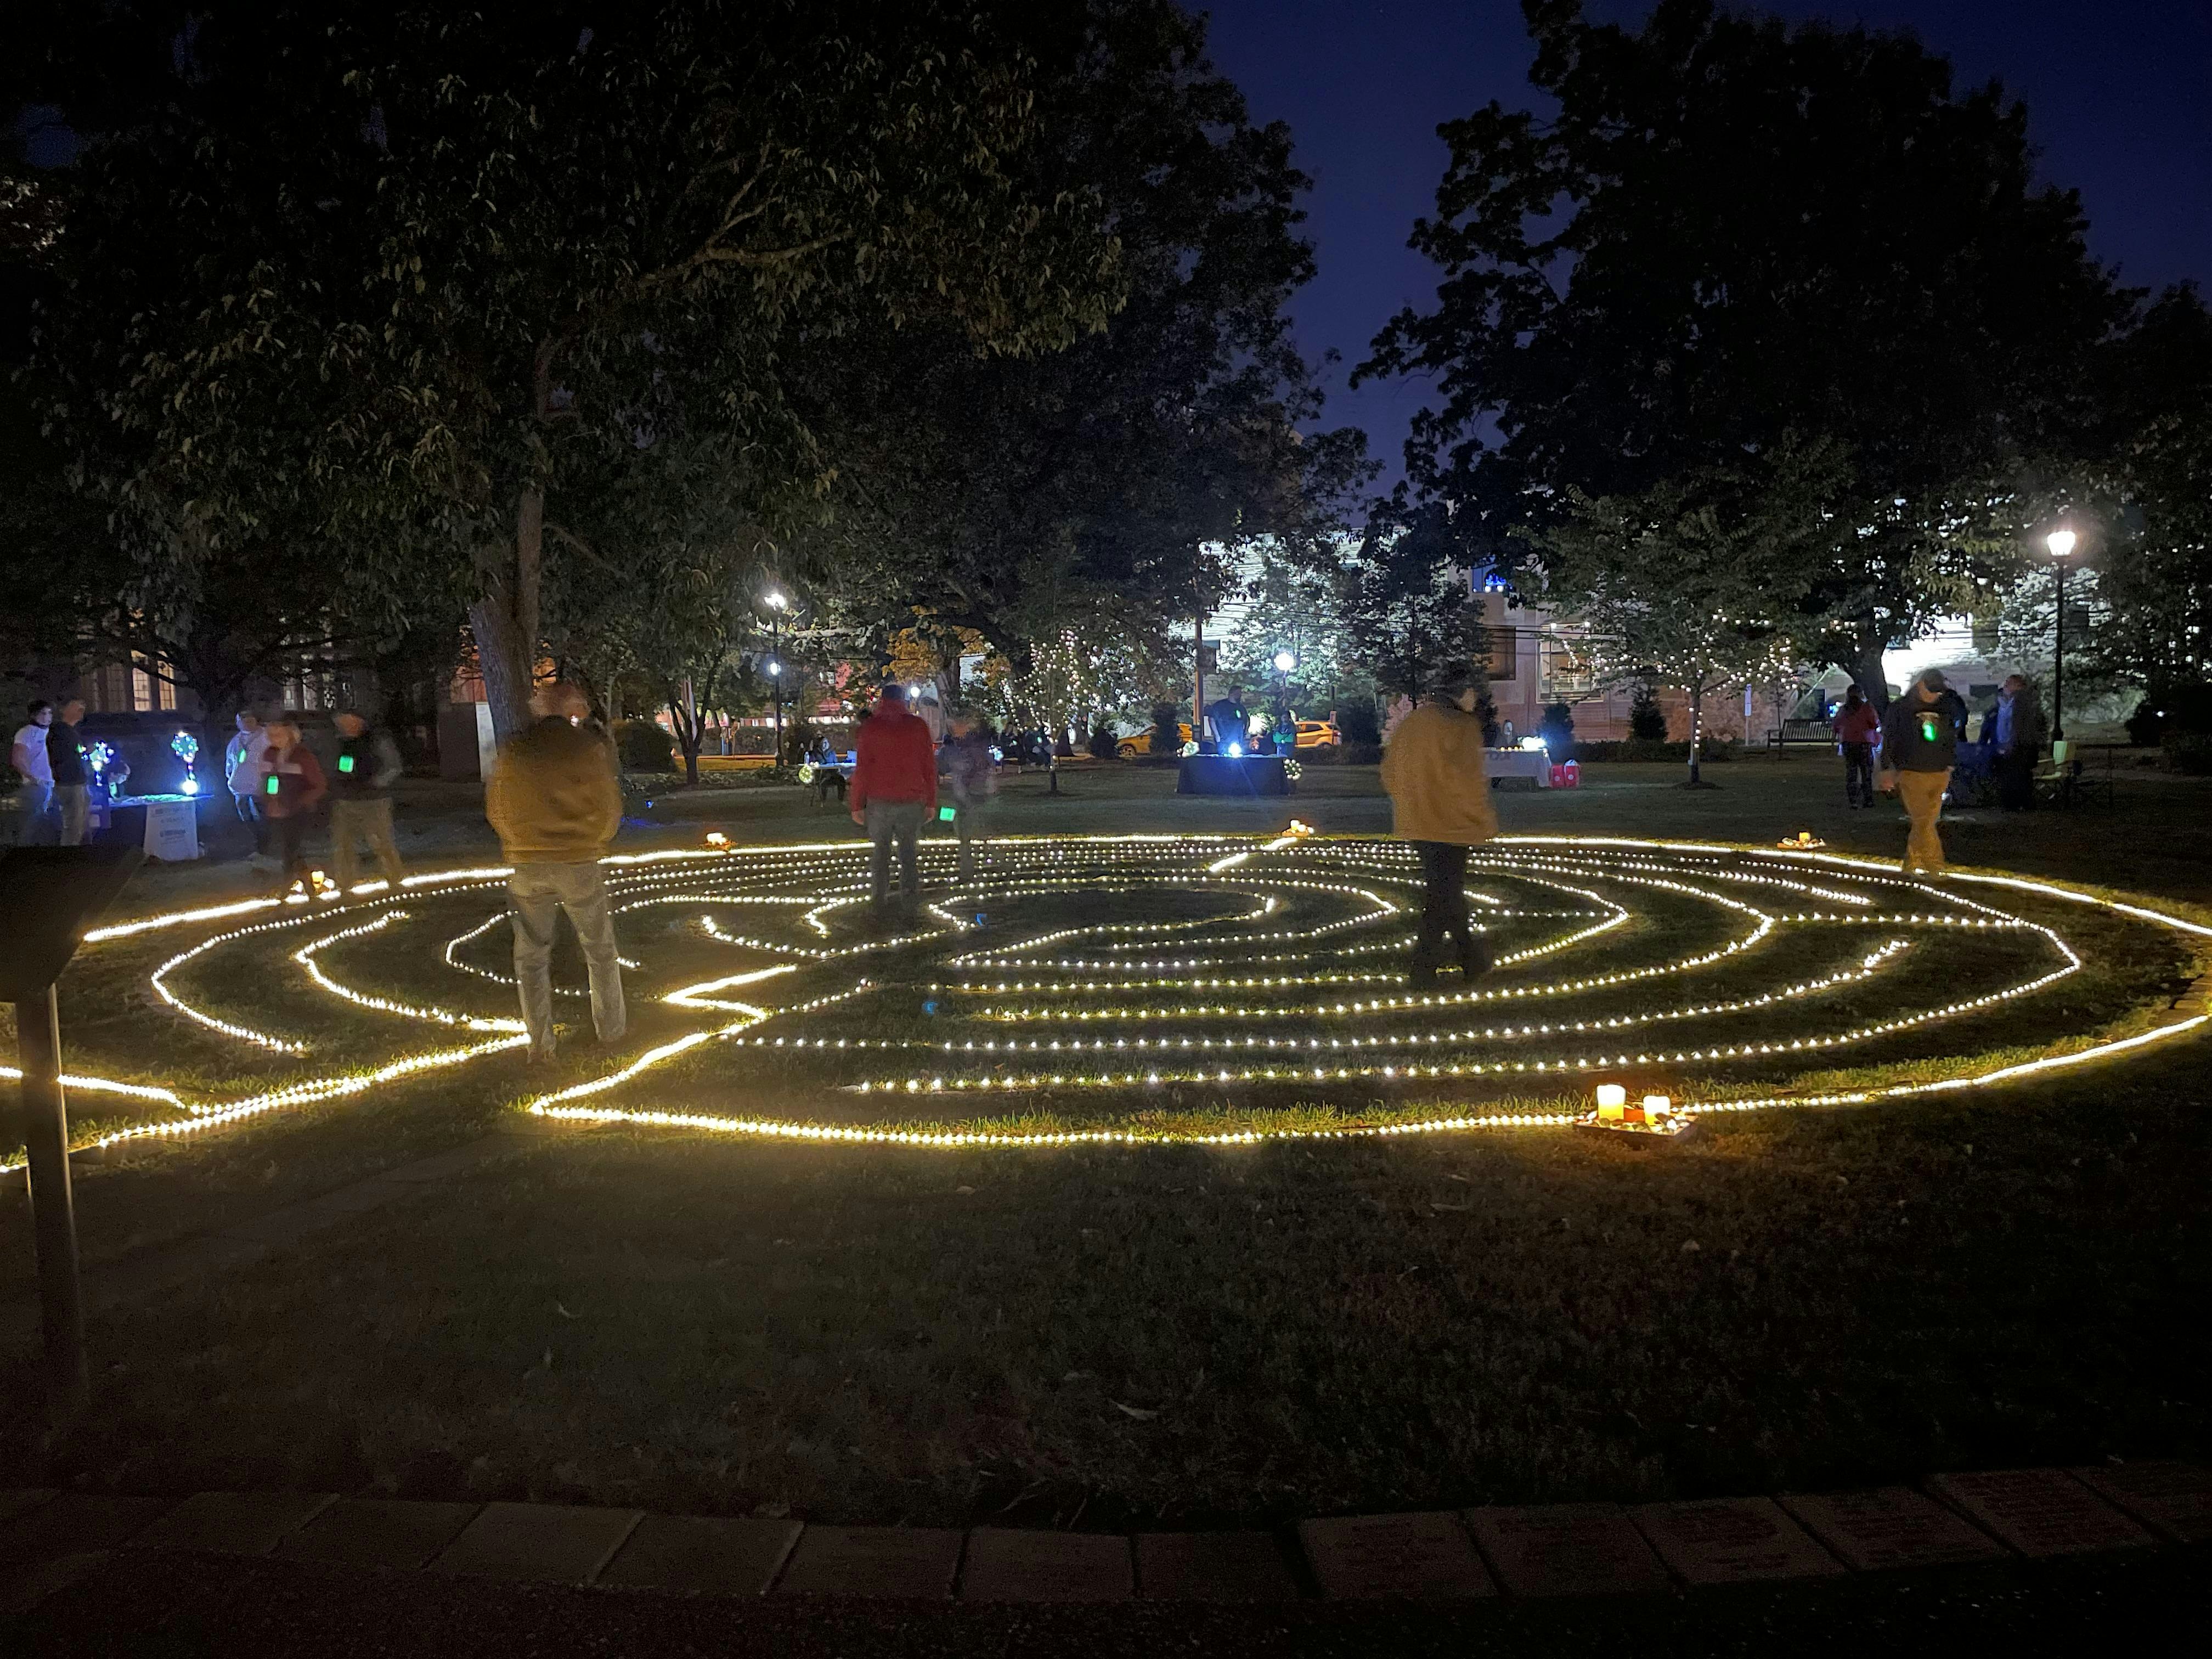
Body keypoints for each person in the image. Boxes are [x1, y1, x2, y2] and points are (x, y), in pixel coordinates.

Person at [484, 681, 626, 1062]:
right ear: (570, 709)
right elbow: (609, 807)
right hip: (578, 860)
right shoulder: (587, 749)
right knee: (599, 949)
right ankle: (611, 1031)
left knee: (530, 957)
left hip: (527, 864)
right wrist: (595, 839)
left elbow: (496, 807)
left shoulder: (514, 750)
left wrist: (517, 844)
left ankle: (540, 1045)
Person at [1379, 664, 1499, 988]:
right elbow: (1469, 780)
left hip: (1419, 822)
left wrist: (1410, 802)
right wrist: (1481, 819)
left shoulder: (1415, 723)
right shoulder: (1463, 727)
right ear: (1463, 693)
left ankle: (1471, 960)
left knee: (1446, 895)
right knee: (1442, 899)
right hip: (1454, 825)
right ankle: (1423, 970)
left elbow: (1390, 770)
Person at [848, 685, 937, 913]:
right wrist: (931, 802)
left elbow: (863, 769)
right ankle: (910, 897)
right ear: (904, 699)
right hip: (911, 799)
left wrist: (857, 804)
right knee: (908, 851)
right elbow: (929, 766)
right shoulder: (918, 726)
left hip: (880, 800)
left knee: (881, 852)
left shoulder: (871, 728)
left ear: (882, 700)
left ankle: (878, 898)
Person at [1877, 668, 1966, 875]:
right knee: (1923, 820)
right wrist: (1887, 769)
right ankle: (1935, 865)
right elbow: (1889, 739)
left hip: (1939, 771)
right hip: (1912, 770)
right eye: (1931, 691)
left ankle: (1912, 863)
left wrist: (1950, 762)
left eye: (1938, 692)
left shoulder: (1945, 707)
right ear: (1920, 685)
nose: (1934, 696)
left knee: (1926, 821)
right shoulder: (1900, 709)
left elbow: (1951, 736)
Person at [330, 708, 405, 891]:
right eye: (341, 723)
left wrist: (376, 783)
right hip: (347, 800)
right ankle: (345, 882)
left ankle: (395, 878)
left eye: (348, 722)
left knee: (382, 842)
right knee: (344, 844)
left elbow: (393, 766)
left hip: (374, 800)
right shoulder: (341, 742)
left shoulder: (376, 740)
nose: (344, 726)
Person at [258, 714, 327, 890]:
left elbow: (319, 785)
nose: (274, 739)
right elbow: (268, 781)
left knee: (292, 848)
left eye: (278, 734)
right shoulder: (269, 755)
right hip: (279, 810)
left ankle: (289, 883)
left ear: (289, 734)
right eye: (271, 735)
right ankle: (305, 885)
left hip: (300, 810)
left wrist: (301, 802)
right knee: (291, 849)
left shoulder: (303, 756)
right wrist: (271, 801)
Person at [941, 706, 996, 882]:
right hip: (961, 798)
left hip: (971, 797)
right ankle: (971, 870)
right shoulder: (956, 747)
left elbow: (981, 767)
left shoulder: (970, 747)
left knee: (972, 833)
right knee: (964, 835)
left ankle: (979, 869)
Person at [1988, 674, 2045, 812]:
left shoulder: (2021, 702)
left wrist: (2012, 742)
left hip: (2019, 746)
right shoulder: (2007, 703)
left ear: (2018, 686)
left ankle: (2018, 803)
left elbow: (2019, 726)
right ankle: (2015, 803)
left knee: (2018, 776)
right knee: (2014, 775)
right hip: (2011, 745)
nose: (2005, 687)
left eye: (2009, 684)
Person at [224, 710, 270, 867]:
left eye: (250, 720)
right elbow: (229, 764)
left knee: (261, 817)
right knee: (246, 818)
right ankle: (253, 846)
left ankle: (264, 847)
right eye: (243, 721)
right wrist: (231, 779)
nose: (247, 724)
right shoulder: (235, 742)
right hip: (240, 787)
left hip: (259, 786)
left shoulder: (267, 738)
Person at [10, 699, 57, 845]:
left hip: (55, 783)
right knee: (32, 823)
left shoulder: (54, 732)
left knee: (49, 824)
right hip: (37, 784)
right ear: (34, 715)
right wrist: (31, 777)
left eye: (49, 713)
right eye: (43, 713)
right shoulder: (27, 733)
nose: (47, 717)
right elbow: (18, 758)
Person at [48, 698, 91, 845]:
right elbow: (60, 755)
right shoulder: (60, 731)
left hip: (77, 781)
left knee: (79, 822)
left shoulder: (71, 732)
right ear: (65, 710)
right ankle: (69, 855)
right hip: (69, 782)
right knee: (73, 823)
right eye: (77, 707)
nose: (81, 711)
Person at [1830, 685, 1881, 808]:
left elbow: (1836, 726)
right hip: (1864, 742)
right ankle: (1868, 799)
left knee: (1852, 772)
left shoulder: (1844, 710)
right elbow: (1874, 723)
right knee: (1866, 772)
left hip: (1848, 742)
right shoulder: (1867, 708)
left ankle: (1853, 800)